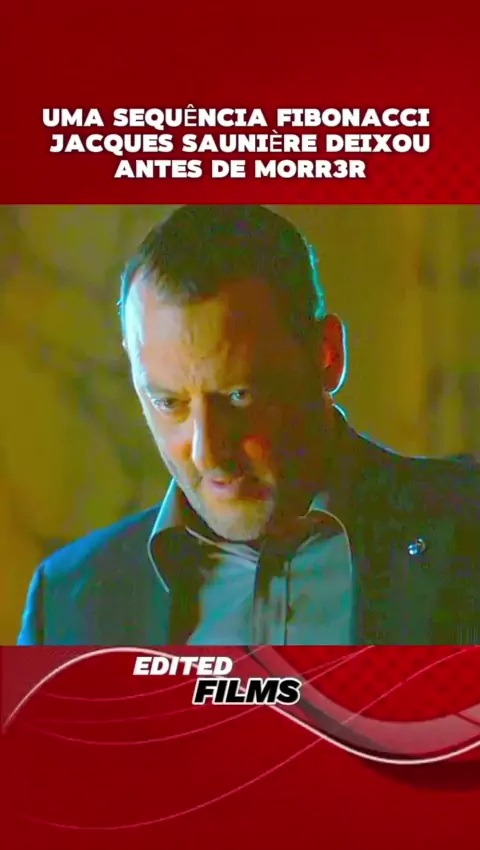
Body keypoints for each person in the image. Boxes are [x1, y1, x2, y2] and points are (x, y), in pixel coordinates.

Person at [18, 204, 480, 646]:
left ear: (327, 356)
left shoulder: (465, 531)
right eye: (168, 403)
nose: (207, 453)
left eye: (239, 396)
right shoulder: (66, 605)